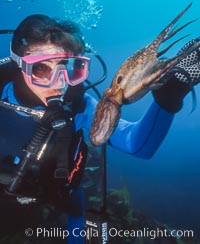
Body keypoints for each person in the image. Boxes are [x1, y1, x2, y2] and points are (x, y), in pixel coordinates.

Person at [0, 14, 199, 244]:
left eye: (71, 68)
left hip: (58, 195)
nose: (58, 82)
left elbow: (138, 146)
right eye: (41, 69)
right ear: (19, 65)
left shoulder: (79, 104)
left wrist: (167, 100)